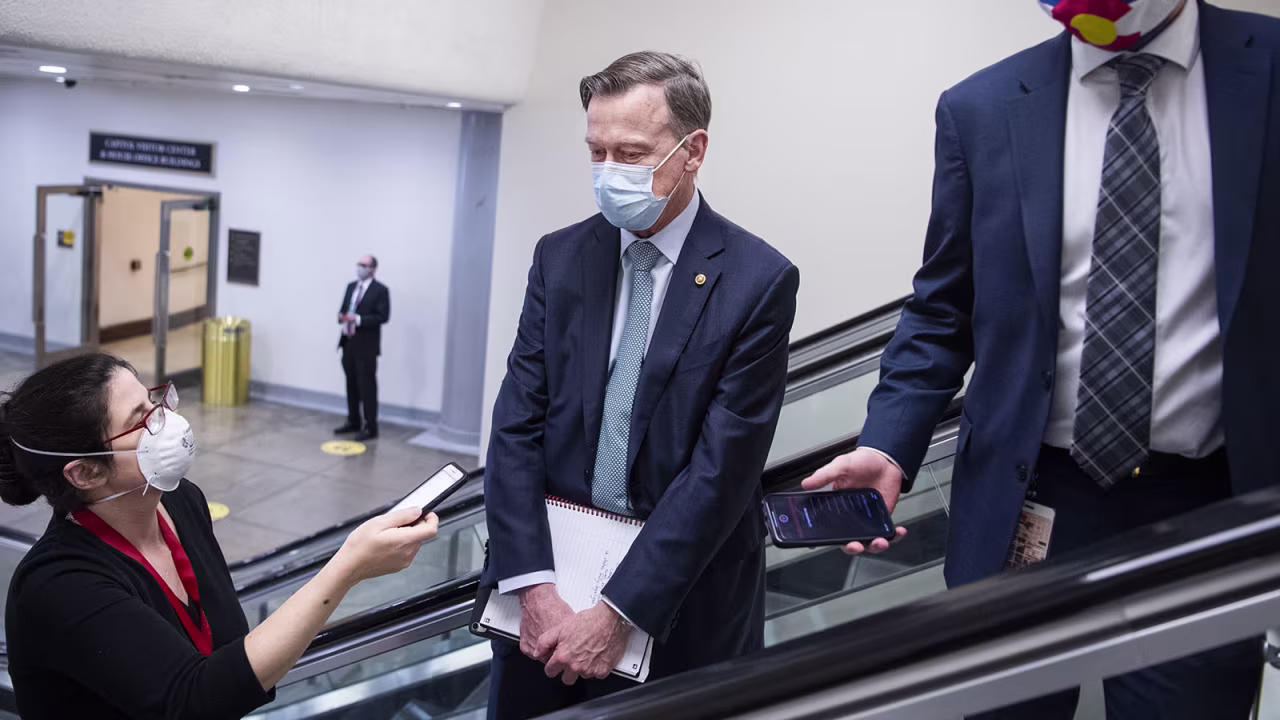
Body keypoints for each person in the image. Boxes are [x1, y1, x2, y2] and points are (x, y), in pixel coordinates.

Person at [803, 1, 1279, 718]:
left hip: (1206, 504)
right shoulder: (981, 108)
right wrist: (889, 442)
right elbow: (942, 309)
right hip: (1030, 497)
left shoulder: (1267, 67)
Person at [483, 51, 799, 719]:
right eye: (596, 152)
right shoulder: (560, 258)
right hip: (544, 601)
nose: (608, 172)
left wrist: (618, 611)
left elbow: (721, 472)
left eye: (630, 153)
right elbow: (515, 428)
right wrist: (534, 589)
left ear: (693, 151)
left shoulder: (758, 281)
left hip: (678, 610)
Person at [0, 353, 438, 719]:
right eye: (142, 420)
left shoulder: (181, 502)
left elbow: (228, 652)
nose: (169, 420)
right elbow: (191, 700)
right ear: (85, 473)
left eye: (156, 401)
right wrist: (348, 568)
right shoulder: (59, 585)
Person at [335, 254, 390, 441]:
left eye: (364, 265)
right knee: (351, 383)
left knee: (367, 387)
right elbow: (344, 309)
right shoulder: (351, 287)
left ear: (373, 269)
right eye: (359, 264)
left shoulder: (380, 290)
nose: (360, 268)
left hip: (366, 346)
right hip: (348, 341)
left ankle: (370, 426)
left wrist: (358, 319)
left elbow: (383, 316)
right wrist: (342, 316)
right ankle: (353, 421)